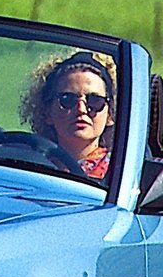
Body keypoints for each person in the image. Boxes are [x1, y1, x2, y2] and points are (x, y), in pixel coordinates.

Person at [19, 50, 116, 180]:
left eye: (95, 100)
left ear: (110, 114)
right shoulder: (26, 165)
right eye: (68, 99)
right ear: (47, 112)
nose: (81, 109)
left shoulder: (121, 175)